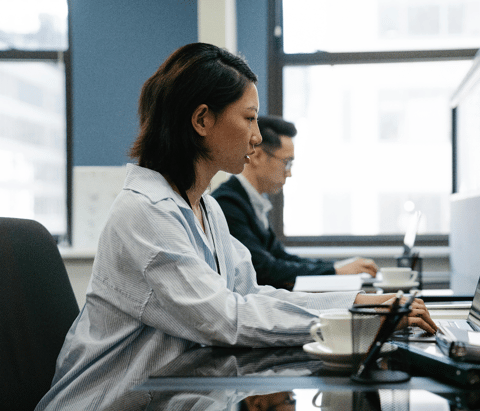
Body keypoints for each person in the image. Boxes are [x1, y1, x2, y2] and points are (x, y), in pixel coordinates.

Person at [35, 43, 437, 410]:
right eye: (248, 118)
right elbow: (227, 319)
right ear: (202, 120)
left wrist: (356, 303)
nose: (257, 136)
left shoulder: (206, 208)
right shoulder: (144, 214)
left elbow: (251, 293)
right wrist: (355, 315)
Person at [212, 115, 378, 290]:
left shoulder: (249, 200)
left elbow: (280, 257)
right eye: (286, 162)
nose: (289, 173)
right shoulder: (228, 203)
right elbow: (264, 269)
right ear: (258, 156)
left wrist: (337, 267)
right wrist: (335, 270)